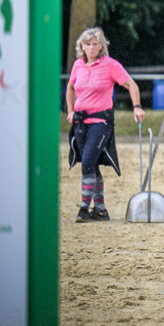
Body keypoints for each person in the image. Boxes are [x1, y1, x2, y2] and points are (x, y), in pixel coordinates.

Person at [65, 27, 146, 222]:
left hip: (101, 122)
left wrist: (136, 106)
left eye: (95, 44)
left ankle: (84, 208)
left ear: (101, 45)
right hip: (81, 123)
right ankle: (100, 209)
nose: (91, 47)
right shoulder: (78, 65)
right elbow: (70, 87)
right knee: (91, 165)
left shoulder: (110, 65)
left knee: (88, 162)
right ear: (82, 47)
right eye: (88, 44)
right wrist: (70, 111)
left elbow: (131, 85)